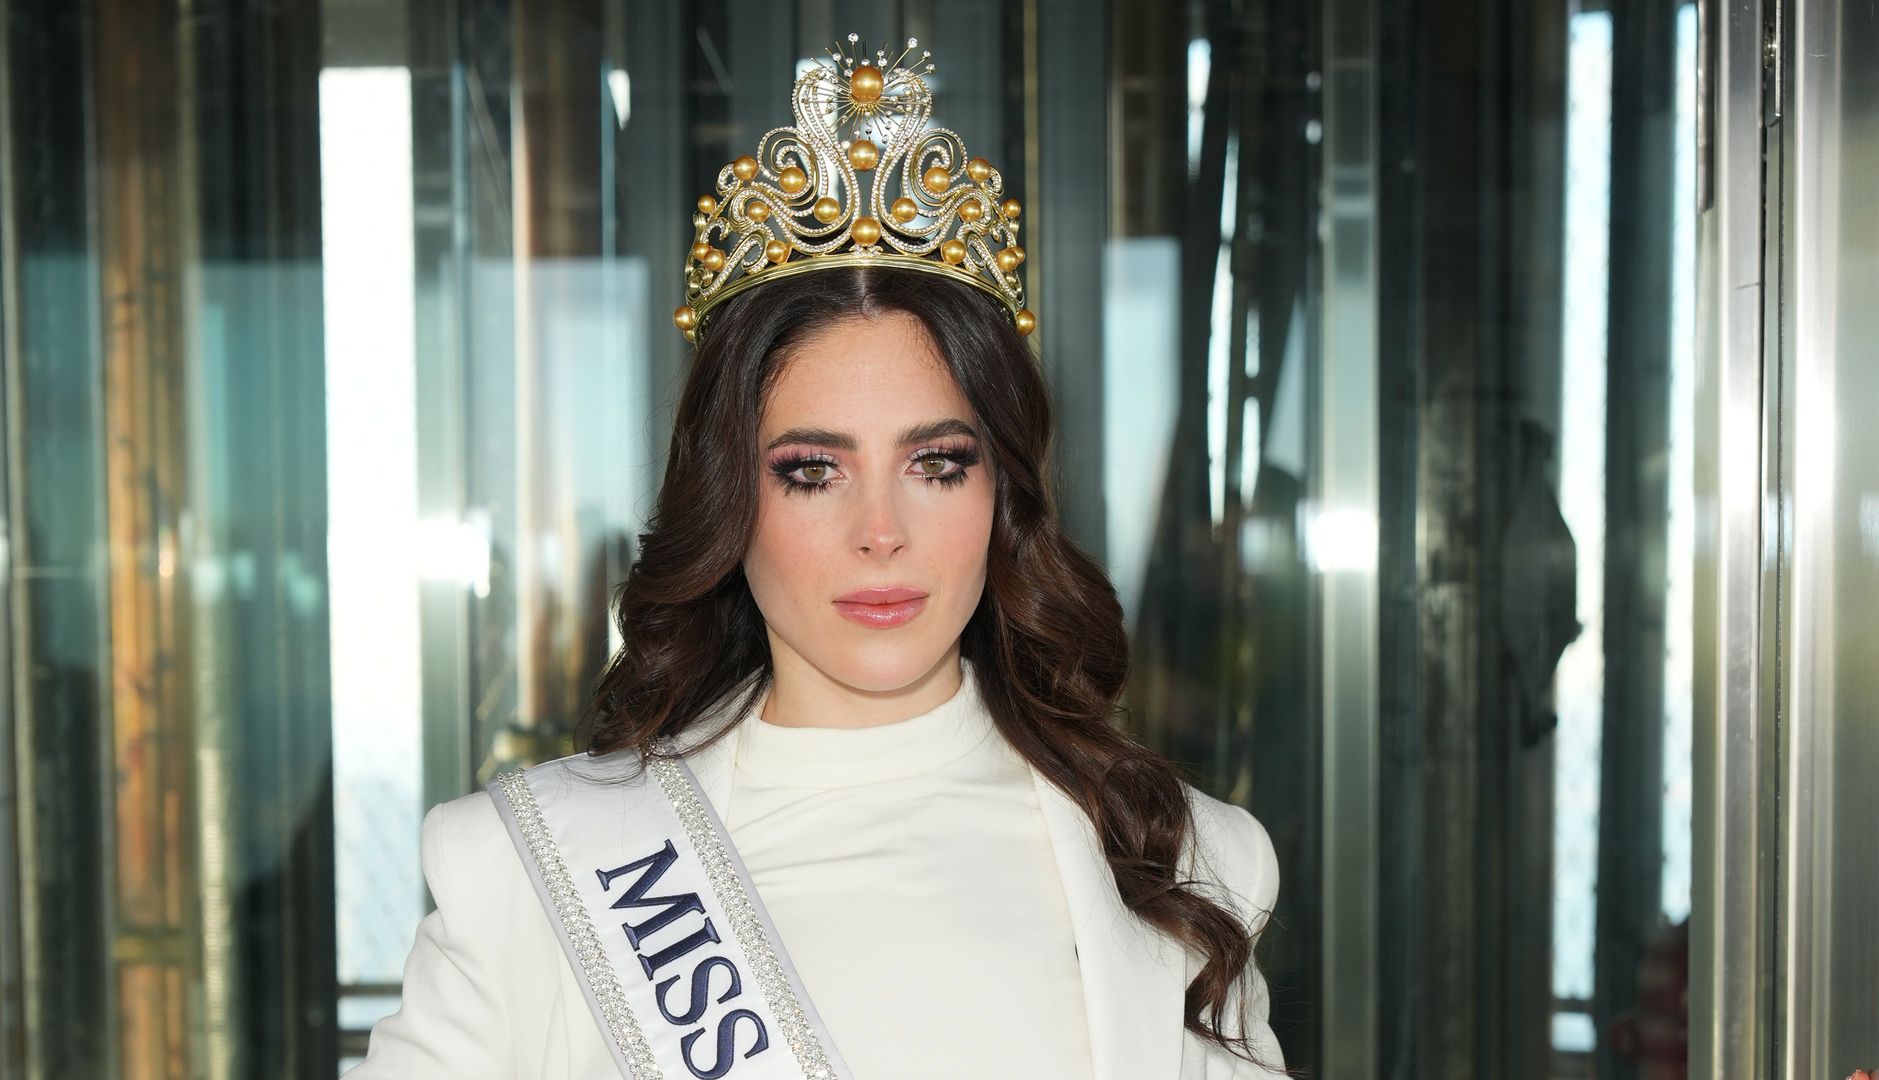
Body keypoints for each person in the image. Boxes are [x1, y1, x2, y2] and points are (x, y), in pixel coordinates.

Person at [349, 34, 1288, 1080]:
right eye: (811, 472)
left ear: (1001, 493)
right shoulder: (529, 876)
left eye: (936, 464)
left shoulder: (1178, 863)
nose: (880, 530)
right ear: (729, 501)